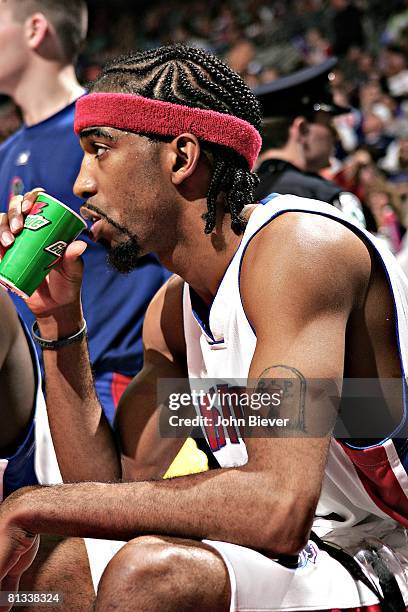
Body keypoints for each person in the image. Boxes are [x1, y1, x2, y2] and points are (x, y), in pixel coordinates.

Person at [0, 44, 408, 611]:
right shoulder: (172, 314)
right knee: (43, 576)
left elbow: (278, 506)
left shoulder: (299, 253)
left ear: (182, 156)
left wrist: (33, 503)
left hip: (387, 554)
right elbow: (114, 485)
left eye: (100, 151)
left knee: (150, 575)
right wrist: (59, 323)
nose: (81, 184)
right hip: (306, 558)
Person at [0, 0, 171, 424]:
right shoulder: (5, 153)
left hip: (117, 394)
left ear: (35, 29)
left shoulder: (119, 135)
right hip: (34, 399)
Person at [254, 58, 368, 228]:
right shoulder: (325, 198)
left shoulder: (236, 198)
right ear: (303, 129)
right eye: (329, 124)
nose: (336, 136)